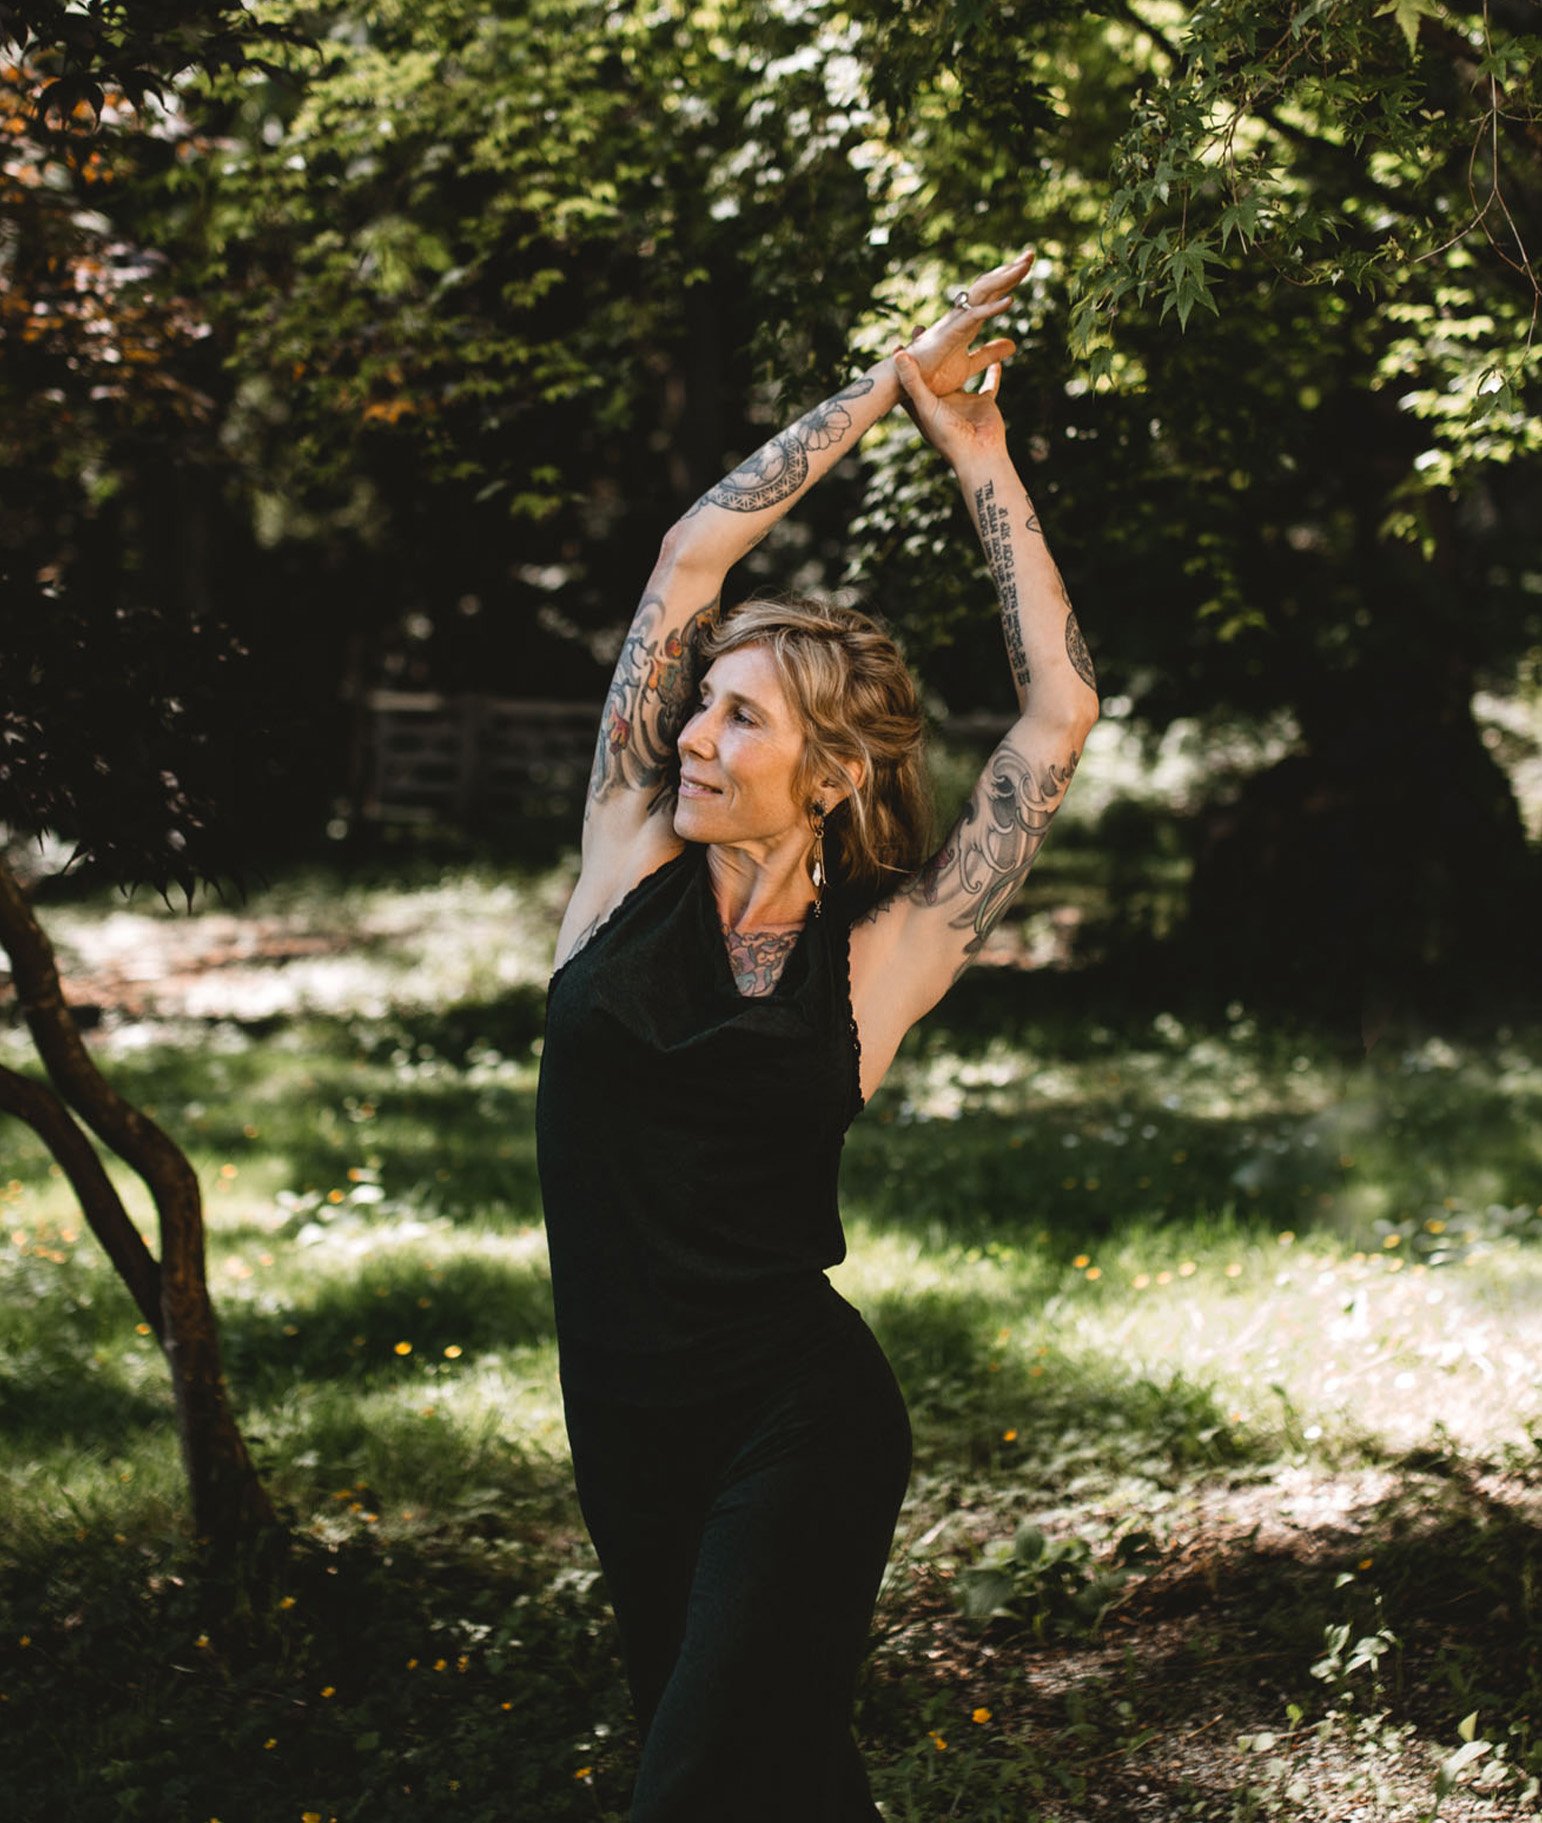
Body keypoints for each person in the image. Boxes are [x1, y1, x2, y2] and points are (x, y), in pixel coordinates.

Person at [535, 246, 1099, 1822]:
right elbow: (686, 558)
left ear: (832, 776)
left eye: (741, 721)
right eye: (699, 706)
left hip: (799, 1422)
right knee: (769, 1770)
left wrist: (977, 459)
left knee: (695, 1779)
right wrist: (884, 387)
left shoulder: (883, 954)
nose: (693, 738)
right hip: (623, 1423)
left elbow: (1055, 721)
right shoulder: (625, 858)